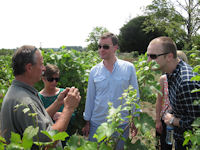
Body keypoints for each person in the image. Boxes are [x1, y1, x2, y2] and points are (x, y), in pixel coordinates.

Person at [0, 45, 81, 149]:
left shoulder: (19, 92)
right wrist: (68, 108)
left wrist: (58, 102)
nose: (43, 69)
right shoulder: (25, 101)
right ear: (29, 67)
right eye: (41, 64)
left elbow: (36, 122)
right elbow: (48, 140)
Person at [82, 32, 140, 150]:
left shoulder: (128, 68)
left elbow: (135, 94)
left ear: (115, 48)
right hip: (97, 123)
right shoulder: (94, 71)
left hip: (120, 123)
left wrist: (135, 118)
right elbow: (90, 97)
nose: (101, 49)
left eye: (106, 47)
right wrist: (87, 121)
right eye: (99, 46)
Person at [147, 37, 200, 150]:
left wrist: (172, 120)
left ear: (169, 56)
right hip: (180, 137)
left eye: (153, 56)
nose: (148, 61)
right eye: (147, 56)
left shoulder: (185, 82)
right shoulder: (171, 74)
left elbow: (197, 123)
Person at [155, 50, 188, 150]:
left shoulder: (186, 79)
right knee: (166, 145)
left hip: (180, 119)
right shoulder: (163, 79)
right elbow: (159, 100)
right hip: (166, 119)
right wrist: (157, 120)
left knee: (181, 145)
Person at [38, 63, 76, 146]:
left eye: (56, 79)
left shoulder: (64, 93)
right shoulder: (38, 98)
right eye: (51, 79)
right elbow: (38, 121)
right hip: (48, 141)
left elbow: (73, 114)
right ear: (43, 79)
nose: (54, 82)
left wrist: (63, 115)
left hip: (66, 138)